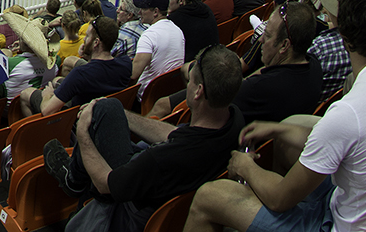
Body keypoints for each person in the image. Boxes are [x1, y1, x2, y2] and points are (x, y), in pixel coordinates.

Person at [184, 0, 366, 232]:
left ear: (343, 31)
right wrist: (278, 129)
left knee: (208, 197)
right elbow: (349, 136)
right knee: (288, 135)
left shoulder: (348, 113)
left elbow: (280, 198)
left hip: (340, 224)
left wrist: (245, 167)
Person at [42, 45, 246, 232]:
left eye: (190, 80)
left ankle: (73, 180)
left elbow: (107, 184)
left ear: (198, 92)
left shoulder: (161, 159)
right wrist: (124, 115)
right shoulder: (233, 121)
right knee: (108, 109)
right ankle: (76, 177)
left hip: (132, 214)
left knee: (99, 117)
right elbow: (174, 135)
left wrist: (82, 134)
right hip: (168, 189)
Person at [128, 0, 184, 101]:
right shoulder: (178, 31)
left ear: (155, 12)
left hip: (145, 98)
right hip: (169, 92)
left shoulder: (149, 35)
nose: (139, 12)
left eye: (143, 8)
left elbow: (133, 76)